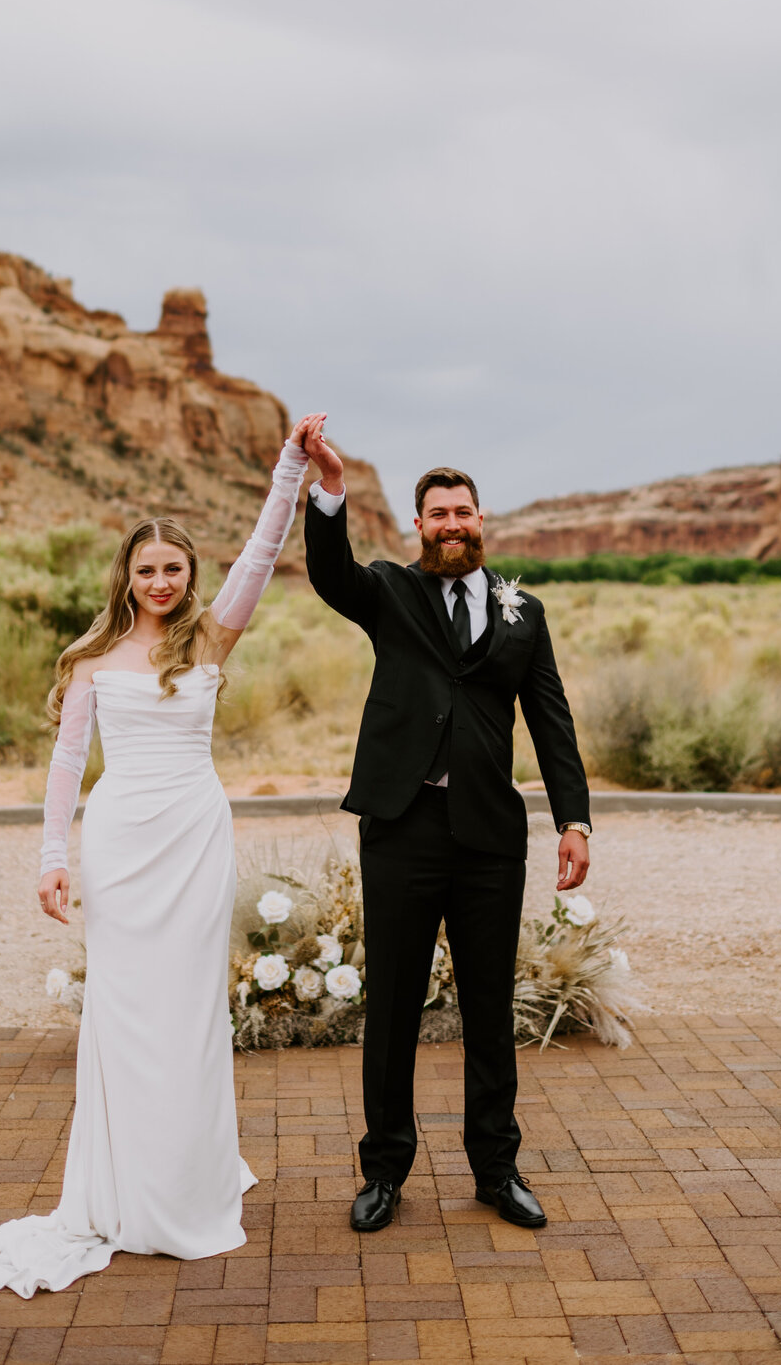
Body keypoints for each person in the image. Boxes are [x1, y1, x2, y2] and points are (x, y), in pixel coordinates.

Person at [0, 415, 319, 1297]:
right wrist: (49, 857)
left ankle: (188, 1181)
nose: (158, 581)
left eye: (173, 569)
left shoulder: (212, 640)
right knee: (125, 1013)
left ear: (189, 578)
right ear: (127, 576)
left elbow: (261, 555)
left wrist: (288, 471)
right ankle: (125, 1185)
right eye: (145, 569)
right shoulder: (93, 658)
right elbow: (68, 763)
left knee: (189, 1014)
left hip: (193, 836)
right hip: (119, 843)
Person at [300, 416, 591, 1235]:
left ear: (482, 521)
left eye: (465, 513)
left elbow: (551, 719)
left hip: (490, 838)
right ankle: (384, 1172)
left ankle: (496, 1170)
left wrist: (575, 818)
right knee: (392, 1005)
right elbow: (329, 574)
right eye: (439, 515)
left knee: (490, 1009)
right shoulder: (390, 592)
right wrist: (328, 489)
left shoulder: (522, 612)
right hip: (402, 827)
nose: (453, 526)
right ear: (418, 525)